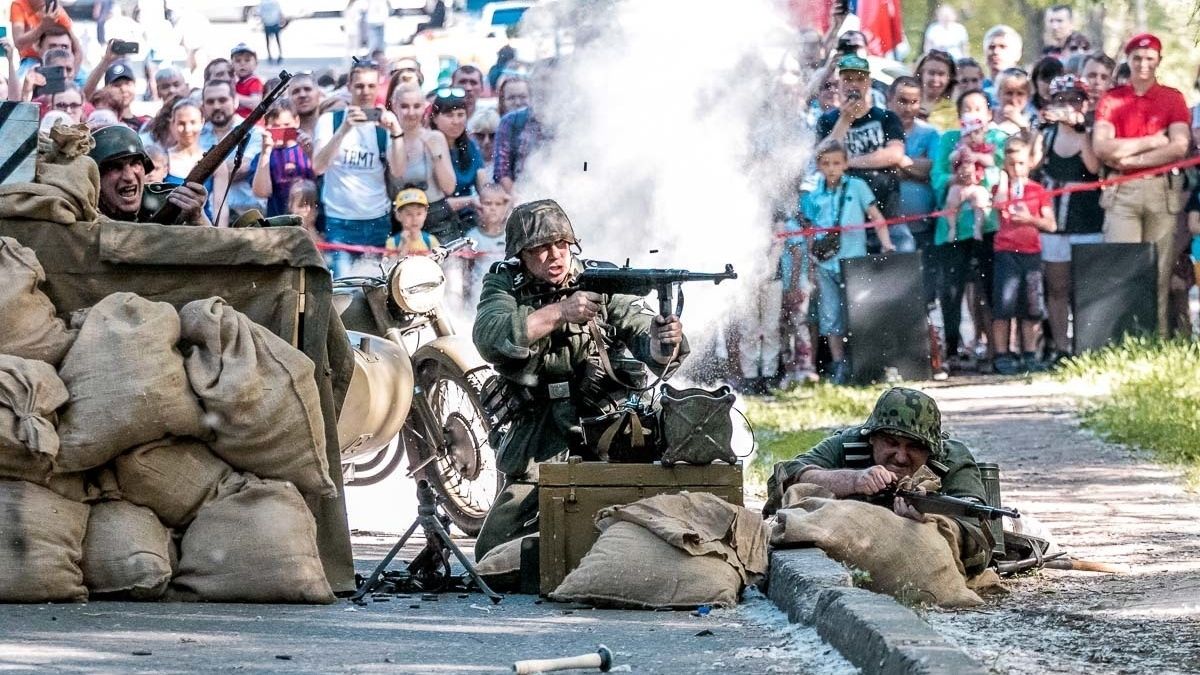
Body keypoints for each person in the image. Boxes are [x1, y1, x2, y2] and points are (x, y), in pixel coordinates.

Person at [471, 199, 688, 558]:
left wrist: (663, 341)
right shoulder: (505, 283)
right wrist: (560, 312)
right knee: (493, 550)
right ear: (521, 254)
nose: (555, 255)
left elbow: (646, 338)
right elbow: (490, 337)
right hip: (541, 434)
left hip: (607, 427)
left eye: (562, 244)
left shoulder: (599, 280)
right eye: (540, 248)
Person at [765, 386, 992, 576]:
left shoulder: (951, 461)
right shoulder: (849, 445)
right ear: (872, 437)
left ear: (931, 449)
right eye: (891, 443)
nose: (901, 457)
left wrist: (933, 523)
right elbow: (784, 477)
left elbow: (980, 536)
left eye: (914, 447)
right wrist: (852, 480)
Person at [1093, 33, 1190, 336]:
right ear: (1128, 59)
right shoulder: (1112, 99)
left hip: (1161, 190)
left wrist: (1128, 160)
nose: (1143, 64)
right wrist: (1151, 141)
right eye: (1137, 58)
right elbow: (1102, 147)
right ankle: (1125, 340)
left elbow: (1178, 146)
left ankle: (1156, 339)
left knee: (1159, 272)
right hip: (1121, 192)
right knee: (1123, 267)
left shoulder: (1172, 98)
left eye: (1150, 58)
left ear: (1159, 60)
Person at [802, 139, 894, 385]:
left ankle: (866, 363)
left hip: (854, 261)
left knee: (860, 312)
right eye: (826, 163)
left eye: (836, 163)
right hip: (825, 263)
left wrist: (886, 243)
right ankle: (839, 365)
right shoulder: (814, 194)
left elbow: (876, 216)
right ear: (819, 166)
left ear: (845, 164)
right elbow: (810, 230)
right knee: (830, 314)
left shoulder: (857, 186)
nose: (831, 168)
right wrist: (810, 262)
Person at [932, 89, 1006, 371]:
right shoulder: (949, 139)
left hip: (987, 226)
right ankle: (952, 351)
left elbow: (1002, 169)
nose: (973, 114)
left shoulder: (997, 139)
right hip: (952, 229)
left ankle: (996, 351)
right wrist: (957, 177)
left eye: (978, 108)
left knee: (990, 289)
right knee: (951, 291)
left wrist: (978, 171)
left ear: (989, 114)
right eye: (967, 108)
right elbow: (937, 176)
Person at [1031, 75, 1103, 363]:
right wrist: (1038, 129)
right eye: (1061, 99)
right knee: (1056, 287)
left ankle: (1088, 345)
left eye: (1075, 99)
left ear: (1085, 103)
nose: (1068, 105)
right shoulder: (1047, 135)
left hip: (1089, 219)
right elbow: (1032, 164)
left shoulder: (1093, 132)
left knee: (1087, 286)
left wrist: (1080, 129)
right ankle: (1061, 349)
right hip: (1054, 222)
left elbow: (1093, 167)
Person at [313, 60, 406, 276]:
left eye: (371, 86)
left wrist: (396, 131)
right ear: (349, 87)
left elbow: (399, 170)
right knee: (344, 287)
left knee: (377, 287)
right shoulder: (329, 121)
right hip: (340, 221)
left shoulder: (384, 124)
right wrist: (344, 129)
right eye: (360, 86)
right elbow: (318, 166)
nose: (365, 92)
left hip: (377, 220)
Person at [816, 54, 906, 230]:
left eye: (860, 79)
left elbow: (894, 154)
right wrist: (845, 120)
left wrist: (847, 162)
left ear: (868, 83)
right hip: (844, 217)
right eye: (848, 79)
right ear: (839, 83)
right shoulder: (826, 121)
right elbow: (823, 158)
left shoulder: (887, 117)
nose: (854, 85)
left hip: (887, 210)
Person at [990, 136, 1055, 374]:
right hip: (1006, 253)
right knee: (1003, 306)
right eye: (1011, 164)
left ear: (1029, 163)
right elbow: (998, 206)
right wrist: (1003, 180)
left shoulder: (1038, 190)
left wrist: (1030, 219)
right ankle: (1002, 354)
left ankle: (1029, 353)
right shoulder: (1000, 189)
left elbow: (1051, 224)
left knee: (1032, 308)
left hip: (1031, 254)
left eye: (1020, 163)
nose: (1016, 169)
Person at [88, 124, 211, 226]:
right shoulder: (85, 211)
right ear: (96, 178)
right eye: (115, 168)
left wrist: (198, 219)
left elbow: (213, 244)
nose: (129, 177)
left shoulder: (169, 202)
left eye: (135, 163)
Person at [889, 76, 941, 298]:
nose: (908, 108)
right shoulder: (880, 129)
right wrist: (916, 164)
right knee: (895, 294)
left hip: (923, 227)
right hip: (887, 229)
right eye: (902, 101)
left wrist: (897, 161)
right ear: (890, 99)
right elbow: (879, 170)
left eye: (914, 102)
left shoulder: (930, 134)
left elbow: (932, 169)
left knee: (923, 296)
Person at [389, 81, 457, 238]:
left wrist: (436, 154)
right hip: (401, 218)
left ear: (424, 107)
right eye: (404, 106)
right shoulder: (387, 138)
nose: (411, 112)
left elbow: (449, 188)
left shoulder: (435, 137)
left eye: (416, 106)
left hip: (436, 217)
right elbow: (397, 173)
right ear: (394, 106)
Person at [199, 79, 265, 221]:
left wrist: (207, 170)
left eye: (222, 100)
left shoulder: (254, 133)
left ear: (235, 101)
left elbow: (241, 168)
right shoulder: (197, 135)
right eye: (210, 102)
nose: (216, 106)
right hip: (208, 217)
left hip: (247, 214)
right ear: (203, 106)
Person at [432, 88, 489, 235]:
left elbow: (483, 185)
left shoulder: (470, 146)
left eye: (460, 114)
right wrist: (470, 200)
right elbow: (434, 204)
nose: (456, 121)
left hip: (469, 219)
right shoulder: (428, 148)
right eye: (449, 115)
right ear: (435, 118)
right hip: (436, 222)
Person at [166, 98, 230, 227]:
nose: (187, 129)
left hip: (202, 227)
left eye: (193, 122)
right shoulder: (163, 159)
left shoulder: (215, 162)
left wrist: (220, 235)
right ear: (173, 124)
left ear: (202, 122)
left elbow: (220, 206)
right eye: (181, 123)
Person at [252, 99, 315, 217]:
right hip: (278, 219)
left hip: (311, 218)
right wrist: (265, 153)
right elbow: (262, 192)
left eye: (287, 125)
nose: (282, 130)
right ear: (267, 126)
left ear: (296, 121)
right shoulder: (263, 157)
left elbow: (321, 180)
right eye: (276, 127)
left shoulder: (307, 149)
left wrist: (311, 152)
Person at [493, 63, 551, 192]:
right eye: (540, 82)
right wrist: (521, 199)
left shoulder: (567, 120)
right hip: (521, 193)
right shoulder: (510, 121)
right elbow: (502, 172)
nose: (545, 88)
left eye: (549, 82)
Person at [463, 183, 510, 309]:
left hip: (507, 290)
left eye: (498, 204)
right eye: (488, 203)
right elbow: (467, 270)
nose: (493, 208)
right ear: (479, 206)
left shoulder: (510, 234)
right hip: (480, 291)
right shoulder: (472, 237)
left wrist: (509, 203)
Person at [914, 49, 958, 132]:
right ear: (921, 73)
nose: (935, 79)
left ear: (949, 78)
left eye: (941, 74)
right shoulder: (907, 102)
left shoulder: (953, 111)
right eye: (931, 73)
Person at [286, 72, 323, 147]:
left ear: (319, 94)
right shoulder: (285, 135)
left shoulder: (332, 126)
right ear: (288, 99)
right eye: (296, 91)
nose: (302, 95)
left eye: (307, 89)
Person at [982, 26, 1022, 96]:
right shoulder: (977, 88)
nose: (996, 52)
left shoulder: (1027, 88)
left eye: (1002, 47)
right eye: (991, 47)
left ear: (1017, 54)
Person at [993, 67, 1033, 137]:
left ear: (1028, 96)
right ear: (998, 94)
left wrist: (1022, 125)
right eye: (1009, 93)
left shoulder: (1033, 121)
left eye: (1020, 94)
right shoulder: (988, 117)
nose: (1013, 99)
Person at [230, 43, 263, 119]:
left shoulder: (254, 81)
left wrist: (232, 95)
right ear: (232, 64)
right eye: (238, 61)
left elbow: (255, 103)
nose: (242, 63)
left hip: (251, 121)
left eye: (247, 60)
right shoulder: (234, 82)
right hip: (236, 120)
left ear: (256, 64)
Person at [259, 0, 285, 65]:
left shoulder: (264, 2)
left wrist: (262, 21)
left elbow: (261, 13)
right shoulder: (266, 2)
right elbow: (279, 12)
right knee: (274, 40)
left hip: (270, 23)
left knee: (272, 41)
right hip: (271, 23)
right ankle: (273, 55)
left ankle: (275, 55)